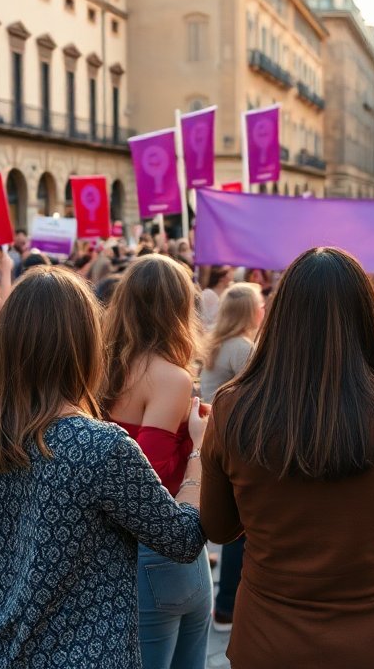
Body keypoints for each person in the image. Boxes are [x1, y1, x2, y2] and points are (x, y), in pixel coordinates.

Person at [200, 248, 374, 669]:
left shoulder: (234, 408)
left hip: (269, 642)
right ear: (366, 319)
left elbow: (220, 528)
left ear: (280, 320)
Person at [0, 267, 205, 667]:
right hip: (86, 654)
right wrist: (199, 453)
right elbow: (183, 539)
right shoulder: (101, 446)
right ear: (85, 344)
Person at [102, 255, 212, 669]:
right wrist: (199, 446)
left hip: (108, 551)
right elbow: (147, 477)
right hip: (161, 548)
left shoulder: (99, 363)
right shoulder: (170, 376)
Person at [196, 282, 264, 632]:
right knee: (240, 531)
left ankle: (223, 604)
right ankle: (226, 607)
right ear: (252, 312)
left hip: (211, 437)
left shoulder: (217, 345)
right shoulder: (242, 348)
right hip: (235, 441)